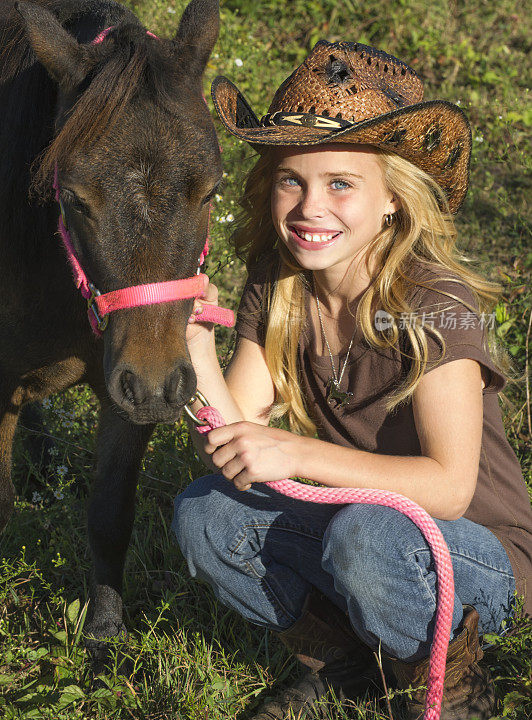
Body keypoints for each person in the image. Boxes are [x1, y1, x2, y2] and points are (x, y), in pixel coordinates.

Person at [172, 40, 532, 720]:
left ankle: (447, 682)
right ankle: (348, 665)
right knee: (207, 511)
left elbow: (450, 489)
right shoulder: (279, 285)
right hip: (359, 530)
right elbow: (231, 446)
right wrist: (192, 346)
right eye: (292, 180)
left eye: (341, 183)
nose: (311, 207)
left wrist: (299, 453)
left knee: (368, 535)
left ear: (393, 199)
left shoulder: (436, 303)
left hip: (471, 558)